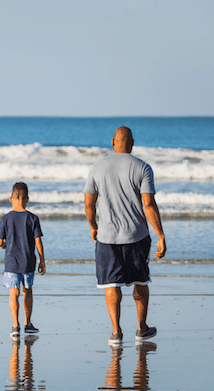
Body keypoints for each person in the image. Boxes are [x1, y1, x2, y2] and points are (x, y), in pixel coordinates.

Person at [84, 126, 166, 346]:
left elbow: (89, 203)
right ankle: (141, 328)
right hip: (136, 236)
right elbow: (148, 204)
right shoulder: (143, 167)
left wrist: (93, 226)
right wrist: (160, 234)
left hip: (107, 236)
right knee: (140, 281)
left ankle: (116, 332)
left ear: (113, 142)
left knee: (112, 284)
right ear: (132, 143)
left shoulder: (96, 168)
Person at [0, 182, 46, 338]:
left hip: (11, 262)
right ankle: (28, 323)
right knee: (28, 291)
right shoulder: (32, 218)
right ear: (27, 199)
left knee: (14, 292)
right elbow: (38, 242)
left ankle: (15, 325)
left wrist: (5, 245)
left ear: (11, 198)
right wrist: (42, 260)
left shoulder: (6, 218)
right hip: (28, 261)